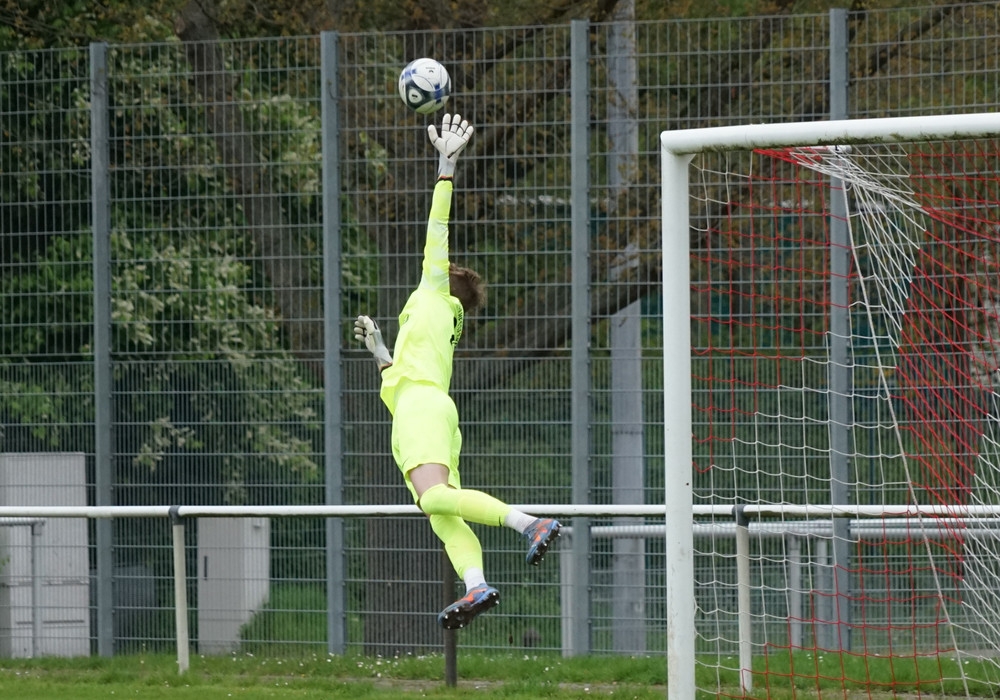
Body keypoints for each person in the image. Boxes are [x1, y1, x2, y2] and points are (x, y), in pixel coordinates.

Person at [354, 113, 561, 630]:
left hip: (422, 409)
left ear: (446, 279)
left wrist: (446, 169)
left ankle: (528, 523)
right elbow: (402, 381)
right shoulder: (444, 319)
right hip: (427, 408)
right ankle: (476, 585)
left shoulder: (432, 289)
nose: (434, 265)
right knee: (443, 514)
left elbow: (437, 229)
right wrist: (382, 354)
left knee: (435, 499)